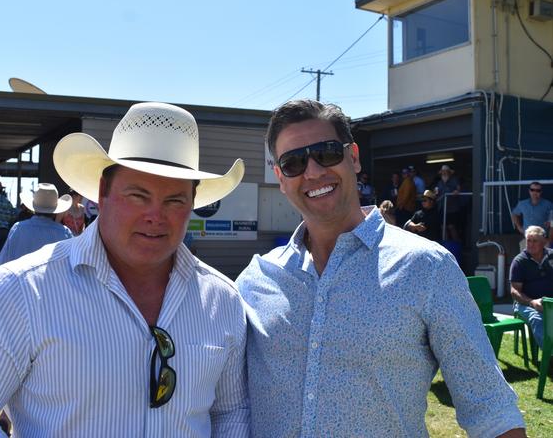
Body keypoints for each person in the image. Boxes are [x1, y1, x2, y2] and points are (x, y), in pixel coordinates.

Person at [0, 102, 249, 437]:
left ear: (192, 203)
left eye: (174, 200)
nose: (155, 216)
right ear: (102, 193)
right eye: (138, 195)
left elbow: (230, 413)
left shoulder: (222, 300)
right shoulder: (19, 291)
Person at [236, 99, 525, 437]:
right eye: (294, 162)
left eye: (326, 152)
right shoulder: (255, 281)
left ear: (353, 157)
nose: (312, 172)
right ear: (280, 178)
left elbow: (490, 408)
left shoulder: (426, 268)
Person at [0, 183, 73, 266]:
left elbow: (2, 263)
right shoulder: (64, 233)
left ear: (34, 209)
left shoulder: (18, 228)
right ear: (55, 211)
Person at [509, 225, 553, 349]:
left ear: (544, 242)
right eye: (529, 240)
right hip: (525, 303)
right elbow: (514, 291)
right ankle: (549, 355)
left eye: (535, 241)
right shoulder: (520, 261)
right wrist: (532, 302)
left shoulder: (551, 255)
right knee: (538, 319)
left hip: (550, 302)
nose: (531, 244)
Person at [511, 182, 552, 249]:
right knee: (525, 259)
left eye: (538, 190)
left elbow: (552, 222)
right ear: (529, 191)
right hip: (527, 239)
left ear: (541, 192)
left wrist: (549, 240)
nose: (535, 192)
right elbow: (514, 214)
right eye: (532, 190)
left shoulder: (548, 205)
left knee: (543, 259)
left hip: (542, 239)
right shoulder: (522, 204)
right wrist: (519, 227)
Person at [435, 164, 462, 242]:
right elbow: (437, 192)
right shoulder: (439, 182)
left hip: (452, 209)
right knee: (443, 227)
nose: (444, 173)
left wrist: (456, 191)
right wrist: (435, 192)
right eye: (443, 171)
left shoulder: (454, 180)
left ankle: (456, 244)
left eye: (446, 171)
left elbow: (458, 190)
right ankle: (446, 244)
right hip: (442, 208)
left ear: (449, 172)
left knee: (451, 227)